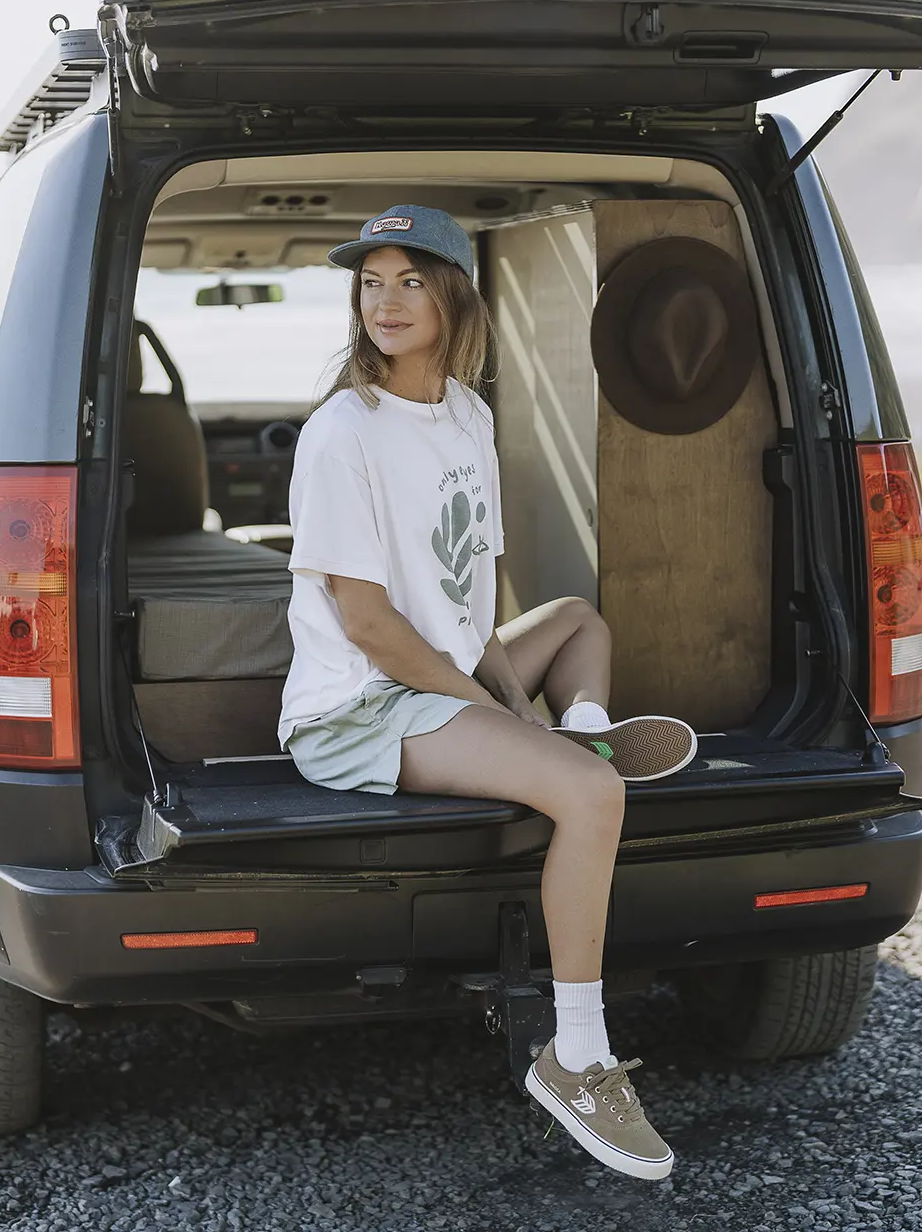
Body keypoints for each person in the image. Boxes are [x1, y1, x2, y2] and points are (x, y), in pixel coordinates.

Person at [276, 205, 696, 1181]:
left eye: (409, 280)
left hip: (443, 676)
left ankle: (579, 730)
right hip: (360, 707)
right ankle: (576, 1056)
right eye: (370, 282)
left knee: (578, 623)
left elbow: (471, 598)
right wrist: (498, 712)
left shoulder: (467, 414)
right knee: (594, 796)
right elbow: (369, 624)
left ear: (454, 296)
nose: (384, 301)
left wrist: (509, 694)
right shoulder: (342, 432)